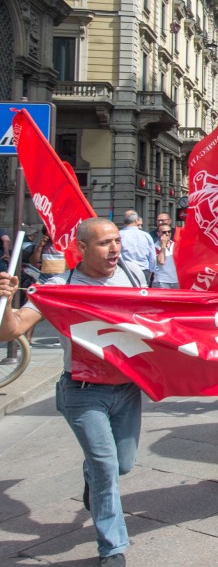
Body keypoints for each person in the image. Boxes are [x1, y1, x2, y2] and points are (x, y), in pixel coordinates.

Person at [1, 218, 148, 566]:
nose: (114, 249)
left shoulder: (135, 276)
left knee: (123, 464)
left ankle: (91, 475)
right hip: (83, 393)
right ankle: (113, 548)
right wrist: (4, 301)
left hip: (127, 389)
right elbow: (12, 330)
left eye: (116, 241)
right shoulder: (59, 285)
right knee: (106, 466)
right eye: (104, 243)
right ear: (81, 249)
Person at [118, 211, 155, 277]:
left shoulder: (119, 235)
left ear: (124, 221)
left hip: (125, 270)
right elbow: (152, 256)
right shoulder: (146, 235)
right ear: (136, 220)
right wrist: (152, 270)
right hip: (143, 270)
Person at [152, 224, 179, 288]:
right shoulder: (155, 246)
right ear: (158, 233)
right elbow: (161, 261)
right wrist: (163, 246)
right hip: (161, 281)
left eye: (169, 231)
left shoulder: (176, 245)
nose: (167, 234)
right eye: (164, 232)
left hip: (175, 280)